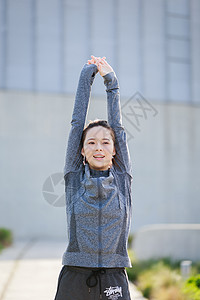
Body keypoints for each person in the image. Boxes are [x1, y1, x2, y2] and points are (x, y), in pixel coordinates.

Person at [54, 56, 133, 300]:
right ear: (82, 150)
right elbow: (77, 124)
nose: (98, 147)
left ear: (114, 149)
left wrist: (111, 82)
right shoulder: (74, 177)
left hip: (114, 276)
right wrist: (86, 77)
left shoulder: (121, 178)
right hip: (75, 278)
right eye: (91, 142)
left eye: (105, 142)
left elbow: (118, 127)